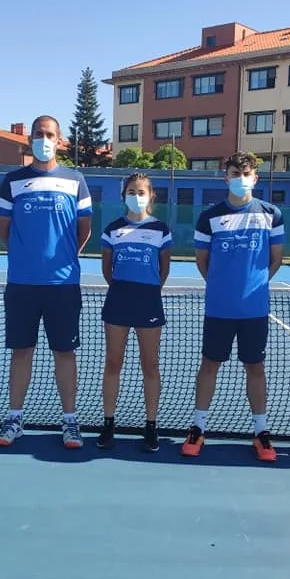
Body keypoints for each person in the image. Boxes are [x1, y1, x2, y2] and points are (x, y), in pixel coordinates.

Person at [0, 115, 92, 449]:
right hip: (22, 284)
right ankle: (14, 418)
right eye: (39, 133)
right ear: (30, 139)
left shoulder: (76, 180)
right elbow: (5, 230)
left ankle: (70, 421)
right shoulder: (12, 181)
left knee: (65, 353)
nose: (44, 139)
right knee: (21, 352)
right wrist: (26, 257)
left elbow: (84, 230)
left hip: (63, 285)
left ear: (59, 140)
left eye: (50, 134)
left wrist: (62, 257)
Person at [182, 151, 284, 461]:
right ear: (226, 178)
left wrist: (253, 286)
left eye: (246, 173)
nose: (241, 178)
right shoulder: (209, 217)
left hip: (255, 310)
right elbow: (202, 262)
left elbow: (275, 260)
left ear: (255, 178)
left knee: (255, 367)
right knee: (209, 364)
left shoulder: (272, 214)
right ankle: (198, 427)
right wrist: (222, 286)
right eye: (235, 174)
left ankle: (261, 431)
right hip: (219, 309)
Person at [97, 172, 172, 452]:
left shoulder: (161, 230)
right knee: (113, 363)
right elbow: (107, 269)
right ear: (124, 196)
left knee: (150, 365)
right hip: (118, 301)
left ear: (151, 196)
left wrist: (147, 291)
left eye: (141, 192)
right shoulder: (113, 229)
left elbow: (164, 269)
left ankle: (151, 426)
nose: (136, 196)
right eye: (131, 192)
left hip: (148, 302)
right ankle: (108, 423)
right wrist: (123, 289)